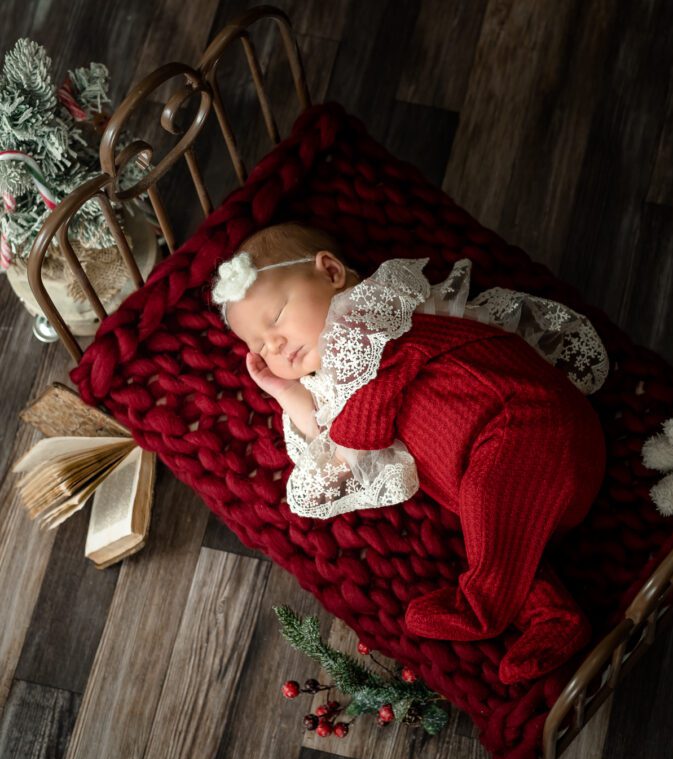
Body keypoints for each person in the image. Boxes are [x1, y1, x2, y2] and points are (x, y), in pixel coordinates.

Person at [210, 220, 609, 686]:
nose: (272, 343)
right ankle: (552, 616)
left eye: (276, 316)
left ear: (331, 272)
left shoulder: (376, 322)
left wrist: (342, 458)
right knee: (502, 534)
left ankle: (482, 607)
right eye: (257, 345)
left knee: (490, 503)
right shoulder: (338, 376)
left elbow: (364, 420)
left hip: (527, 425)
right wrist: (284, 391)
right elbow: (326, 429)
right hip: (519, 483)